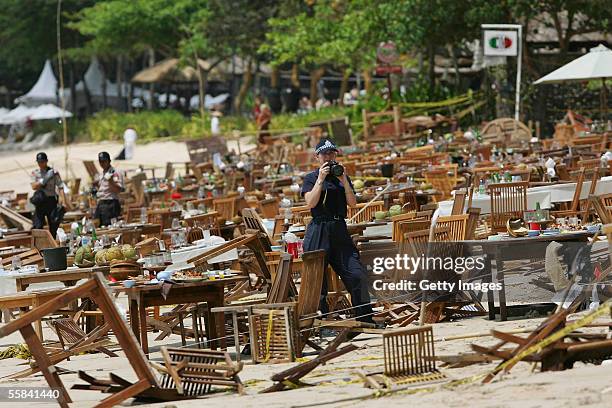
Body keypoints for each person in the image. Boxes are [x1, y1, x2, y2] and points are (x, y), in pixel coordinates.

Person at [301, 139, 374, 323]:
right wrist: (320, 179)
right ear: (316, 156)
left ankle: (364, 317)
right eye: (324, 154)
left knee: (356, 273)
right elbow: (310, 203)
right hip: (319, 228)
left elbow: (353, 203)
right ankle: (320, 321)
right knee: (317, 281)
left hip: (339, 228)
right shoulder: (311, 177)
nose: (328, 157)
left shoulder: (341, 176)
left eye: (331, 153)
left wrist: (344, 180)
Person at [30, 152, 68, 238]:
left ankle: (53, 242)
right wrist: (44, 180)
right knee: (38, 225)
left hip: (51, 200)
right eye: (39, 162)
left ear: (46, 161)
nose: (41, 164)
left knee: (54, 224)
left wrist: (64, 202)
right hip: (40, 201)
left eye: (42, 162)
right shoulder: (35, 173)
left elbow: (60, 186)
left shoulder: (53, 173)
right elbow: (33, 186)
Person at [94, 152, 124, 226]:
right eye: (100, 162)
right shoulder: (102, 174)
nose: (102, 163)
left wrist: (111, 181)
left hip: (110, 203)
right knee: (98, 224)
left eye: (104, 161)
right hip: (101, 202)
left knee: (110, 226)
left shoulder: (114, 172)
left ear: (109, 161)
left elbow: (118, 189)